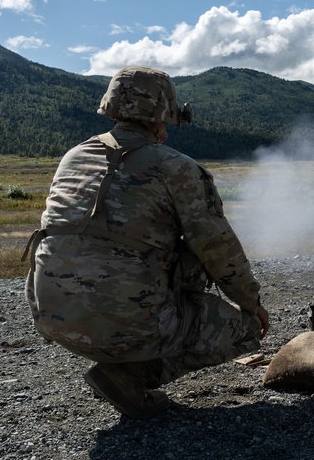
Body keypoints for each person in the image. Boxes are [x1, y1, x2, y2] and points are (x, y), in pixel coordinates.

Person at [25, 65, 269, 419]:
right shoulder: (176, 168)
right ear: (160, 117)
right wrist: (252, 302)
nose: (167, 131)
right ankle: (130, 376)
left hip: (53, 318)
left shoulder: (74, 156)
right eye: (167, 122)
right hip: (127, 322)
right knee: (244, 331)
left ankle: (124, 362)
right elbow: (218, 247)